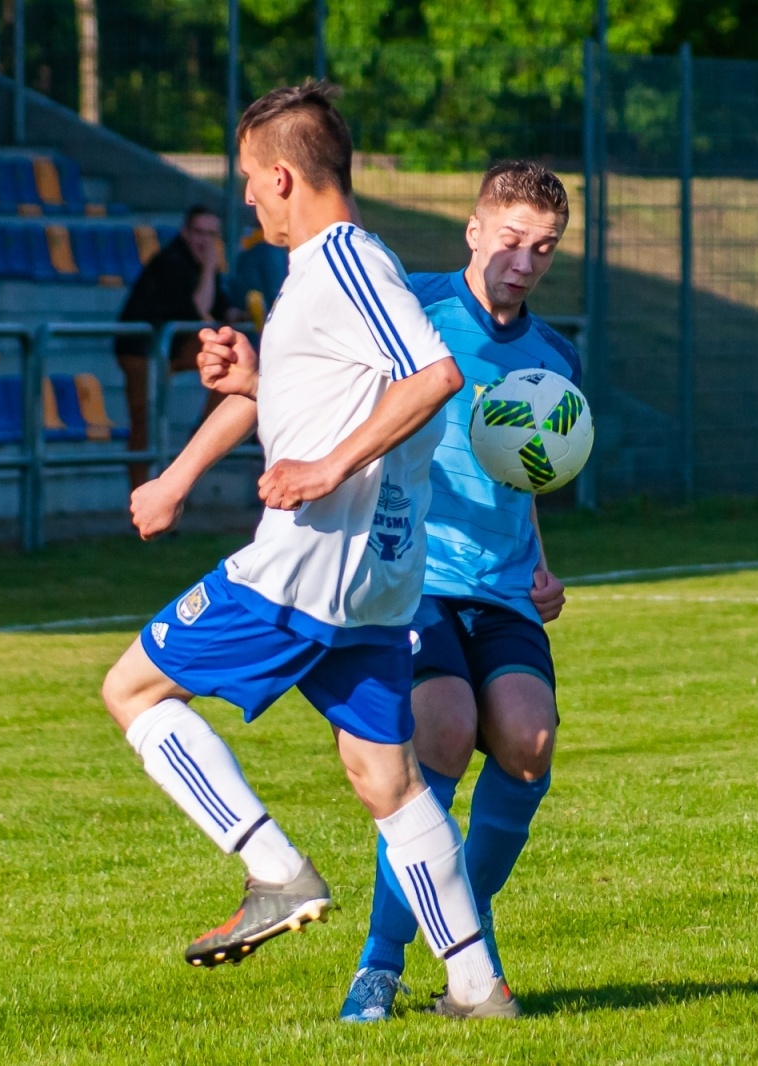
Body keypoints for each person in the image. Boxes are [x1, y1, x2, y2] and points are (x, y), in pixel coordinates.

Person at [99, 82, 518, 1020]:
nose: (247, 198)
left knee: (131, 689)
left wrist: (327, 465)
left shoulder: (343, 259)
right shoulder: (326, 276)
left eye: (251, 181)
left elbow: (435, 376)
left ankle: (275, 870)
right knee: (387, 779)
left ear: (284, 176)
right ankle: (475, 987)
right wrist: (241, 397)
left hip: (307, 568)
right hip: (375, 580)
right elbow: (342, 393)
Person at [337, 160, 578, 1024]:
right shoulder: (414, 311)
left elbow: (529, 473)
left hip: (505, 589)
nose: (524, 260)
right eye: (511, 239)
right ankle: (380, 960)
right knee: (441, 733)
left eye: (543, 249)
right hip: (413, 579)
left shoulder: (555, 356)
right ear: (475, 230)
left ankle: (460, 938)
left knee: (529, 740)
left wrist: (541, 563)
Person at [114, 205, 239, 488]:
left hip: (171, 348)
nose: (205, 241)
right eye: (199, 232)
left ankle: (206, 432)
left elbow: (217, 307)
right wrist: (209, 268)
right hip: (140, 351)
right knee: (143, 425)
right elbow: (198, 310)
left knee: (230, 360)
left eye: (211, 234)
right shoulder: (172, 261)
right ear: (185, 232)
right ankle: (140, 496)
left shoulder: (202, 263)